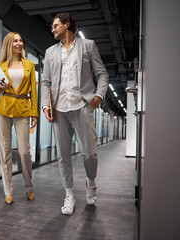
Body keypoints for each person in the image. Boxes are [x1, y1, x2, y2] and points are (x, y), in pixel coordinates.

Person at [41, 13, 109, 215]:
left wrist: (98, 96)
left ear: (67, 24)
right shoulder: (50, 52)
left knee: (89, 152)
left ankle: (91, 181)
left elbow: (102, 74)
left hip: (82, 105)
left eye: (55, 25)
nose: (52, 29)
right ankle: (69, 194)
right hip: (58, 109)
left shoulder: (88, 45)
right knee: (63, 155)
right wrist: (46, 105)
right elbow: (45, 82)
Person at [0, 32, 38, 205]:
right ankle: (8, 190)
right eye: (15, 41)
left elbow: (34, 90)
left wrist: (35, 113)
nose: (19, 43)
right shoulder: (1, 65)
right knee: (5, 151)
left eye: (20, 40)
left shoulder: (30, 65)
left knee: (24, 151)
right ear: (9, 44)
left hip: (23, 109)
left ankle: (28, 186)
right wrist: (0, 86)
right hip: (3, 110)